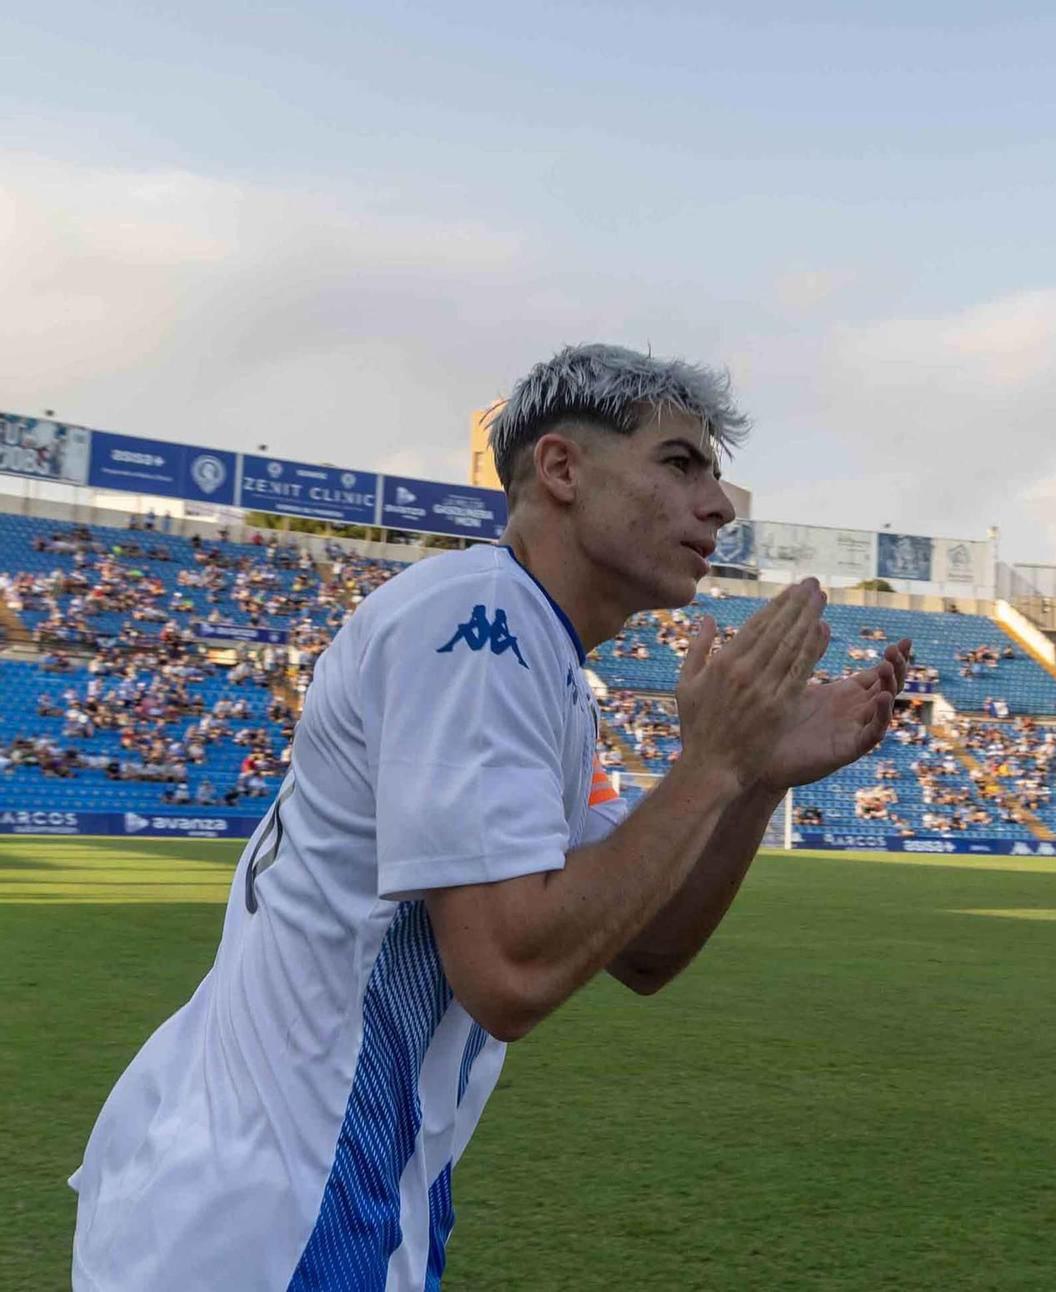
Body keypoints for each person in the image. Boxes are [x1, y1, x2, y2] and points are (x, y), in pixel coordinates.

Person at [69, 345, 915, 1287]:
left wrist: (753, 779)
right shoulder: (476, 621)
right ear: (560, 469)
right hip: (281, 1215)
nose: (718, 504)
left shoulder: (539, 665)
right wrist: (713, 761)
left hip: (332, 1192)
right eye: (681, 464)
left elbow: (642, 949)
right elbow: (510, 971)